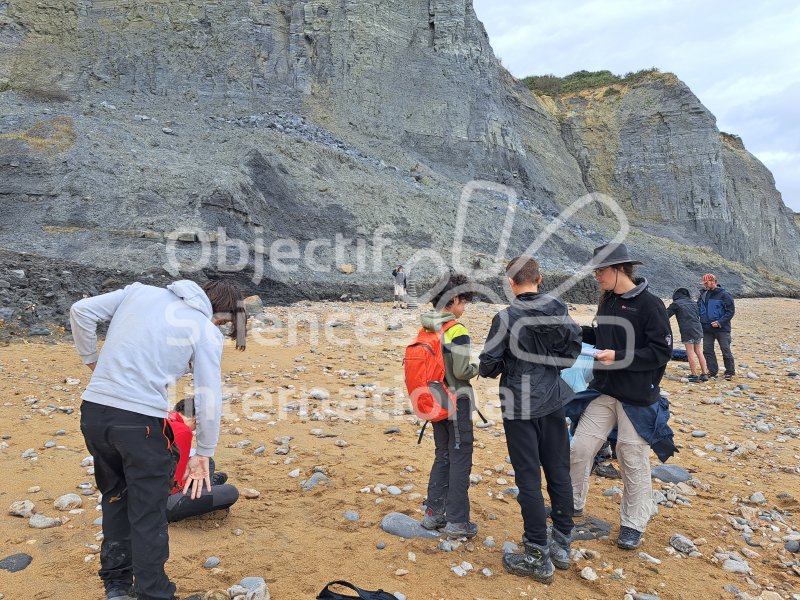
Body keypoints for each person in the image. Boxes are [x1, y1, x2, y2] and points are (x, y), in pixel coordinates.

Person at [71, 279, 246, 600]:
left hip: (95, 413)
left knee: (114, 496)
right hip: (141, 423)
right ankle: (153, 593)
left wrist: (92, 361)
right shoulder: (203, 330)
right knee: (148, 512)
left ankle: (117, 585)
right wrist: (203, 452)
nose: (218, 327)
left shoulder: (140, 292)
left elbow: (80, 310)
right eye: (222, 322)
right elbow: (210, 397)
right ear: (220, 312)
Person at [479, 256, 581, 582]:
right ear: (540, 279)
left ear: (511, 282)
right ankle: (561, 542)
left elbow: (487, 365)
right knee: (558, 471)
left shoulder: (505, 318)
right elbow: (572, 350)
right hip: (553, 400)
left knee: (528, 480)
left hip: (519, 407)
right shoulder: (558, 308)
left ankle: (537, 553)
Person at [570, 243, 672, 551]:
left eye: (600, 271)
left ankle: (633, 524)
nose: (596, 277)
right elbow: (601, 336)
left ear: (618, 270)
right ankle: (572, 506)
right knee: (580, 447)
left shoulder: (650, 305)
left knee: (632, 458)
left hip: (637, 398)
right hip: (606, 391)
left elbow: (660, 351)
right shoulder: (608, 301)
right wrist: (572, 331)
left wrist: (619, 356)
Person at [419, 271, 480, 540]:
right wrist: (479, 366)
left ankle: (433, 513)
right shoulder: (456, 330)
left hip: (434, 400)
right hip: (456, 401)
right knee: (460, 456)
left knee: (442, 454)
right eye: (464, 302)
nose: (464, 308)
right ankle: (457, 521)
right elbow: (463, 369)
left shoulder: (426, 327)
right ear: (454, 299)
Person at [166, 398, 239, 522]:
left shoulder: (161, 420)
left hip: (135, 492)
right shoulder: (183, 431)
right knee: (231, 492)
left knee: (207, 463)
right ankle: (208, 487)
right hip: (162, 504)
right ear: (195, 419)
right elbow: (175, 483)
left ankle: (209, 485)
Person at [697, 273, 736, 380]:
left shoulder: (725, 294)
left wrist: (719, 322)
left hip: (722, 329)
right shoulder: (703, 294)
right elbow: (698, 308)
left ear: (713, 281)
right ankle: (712, 371)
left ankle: (729, 372)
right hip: (706, 328)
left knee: (725, 349)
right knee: (707, 350)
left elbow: (730, 311)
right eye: (704, 283)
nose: (705, 285)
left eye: (706, 283)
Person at [667, 288, 708, 382]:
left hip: (687, 330)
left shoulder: (676, 304)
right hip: (698, 328)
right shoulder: (693, 303)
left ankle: (694, 375)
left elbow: (666, 315)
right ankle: (704, 373)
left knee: (690, 352)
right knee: (699, 351)